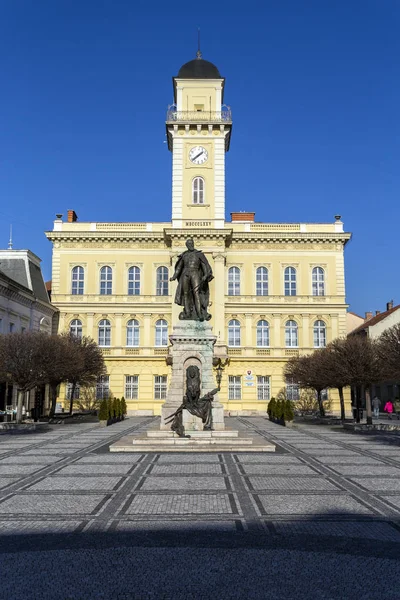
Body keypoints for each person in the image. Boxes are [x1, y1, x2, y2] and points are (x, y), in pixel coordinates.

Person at [170, 238, 214, 321]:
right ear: (187, 245)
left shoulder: (199, 254)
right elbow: (179, 268)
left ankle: (199, 313)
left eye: (192, 243)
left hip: (195, 272)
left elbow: (204, 265)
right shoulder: (184, 255)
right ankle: (187, 313)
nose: (191, 245)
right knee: (185, 294)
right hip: (185, 274)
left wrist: (205, 275)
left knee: (196, 292)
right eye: (189, 244)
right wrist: (174, 276)